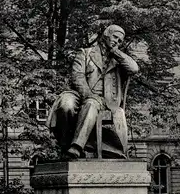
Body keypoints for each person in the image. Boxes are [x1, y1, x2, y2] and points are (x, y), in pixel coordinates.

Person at [47, 24, 139, 159]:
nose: (117, 42)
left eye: (120, 41)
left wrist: (116, 52)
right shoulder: (85, 53)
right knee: (66, 104)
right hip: (79, 93)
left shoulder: (118, 60)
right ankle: (65, 144)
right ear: (106, 35)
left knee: (91, 103)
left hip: (103, 100)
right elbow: (77, 77)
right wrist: (88, 94)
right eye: (115, 37)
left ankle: (76, 147)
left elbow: (134, 69)